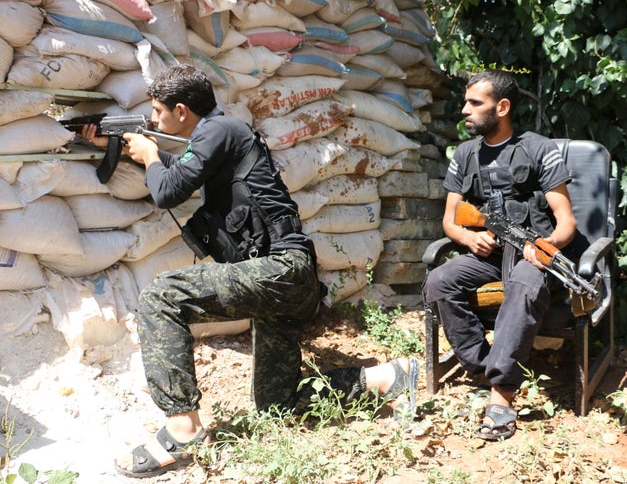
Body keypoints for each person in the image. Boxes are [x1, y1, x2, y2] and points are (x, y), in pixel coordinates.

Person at [80, 64, 419, 478]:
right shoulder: (218, 136)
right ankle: (387, 377)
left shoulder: (219, 130)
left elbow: (168, 189)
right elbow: (181, 169)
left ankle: (182, 430)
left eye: (156, 111)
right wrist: (123, 147)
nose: (153, 120)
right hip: (285, 279)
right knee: (278, 403)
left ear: (181, 111)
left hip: (278, 270)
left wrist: (150, 155)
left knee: (160, 295)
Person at [422, 69, 576, 441]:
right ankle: (484, 367)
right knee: (439, 280)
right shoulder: (464, 154)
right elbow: (450, 221)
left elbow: (566, 222)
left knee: (524, 282)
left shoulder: (539, 149)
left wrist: (543, 249)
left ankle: (501, 395)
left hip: (530, 254)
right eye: (465, 102)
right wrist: (467, 238)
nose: (464, 110)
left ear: (502, 107)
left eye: (475, 103)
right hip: (489, 252)